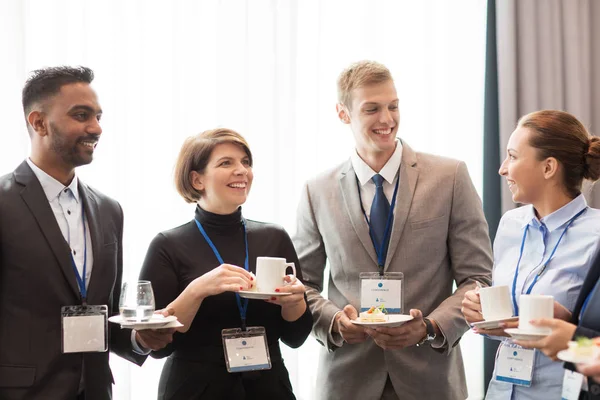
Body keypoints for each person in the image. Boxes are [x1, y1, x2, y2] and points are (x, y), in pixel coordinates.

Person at [292, 60, 493, 400]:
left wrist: (430, 326)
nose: (387, 119)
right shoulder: (317, 190)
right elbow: (301, 285)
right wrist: (335, 322)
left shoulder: (451, 177)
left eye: (393, 106)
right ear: (343, 114)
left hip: (430, 379)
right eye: (372, 109)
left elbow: (478, 280)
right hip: (347, 380)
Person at [0, 66, 147, 400]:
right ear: (38, 122)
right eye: (81, 115)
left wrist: (142, 339)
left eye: (97, 116)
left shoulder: (110, 210)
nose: (95, 128)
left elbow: (105, 312)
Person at [137, 128, 312, 399]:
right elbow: (158, 348)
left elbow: (296, 337)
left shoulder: (274, 237)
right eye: (226, 163)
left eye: (246, 162)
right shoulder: (167, 245)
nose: (242, 170)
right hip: (194, 390)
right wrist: (197, 290)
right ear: (197, 180)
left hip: (268, 388)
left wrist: (295, 302)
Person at [461, 110, 600, 399]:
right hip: (500, 390)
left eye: (512, 156)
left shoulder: (596, 235)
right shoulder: (511, 224)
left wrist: (570, 329)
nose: (502, 169)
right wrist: (481, 312)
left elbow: (589, 341)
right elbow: (509, 320)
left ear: (548, 167)